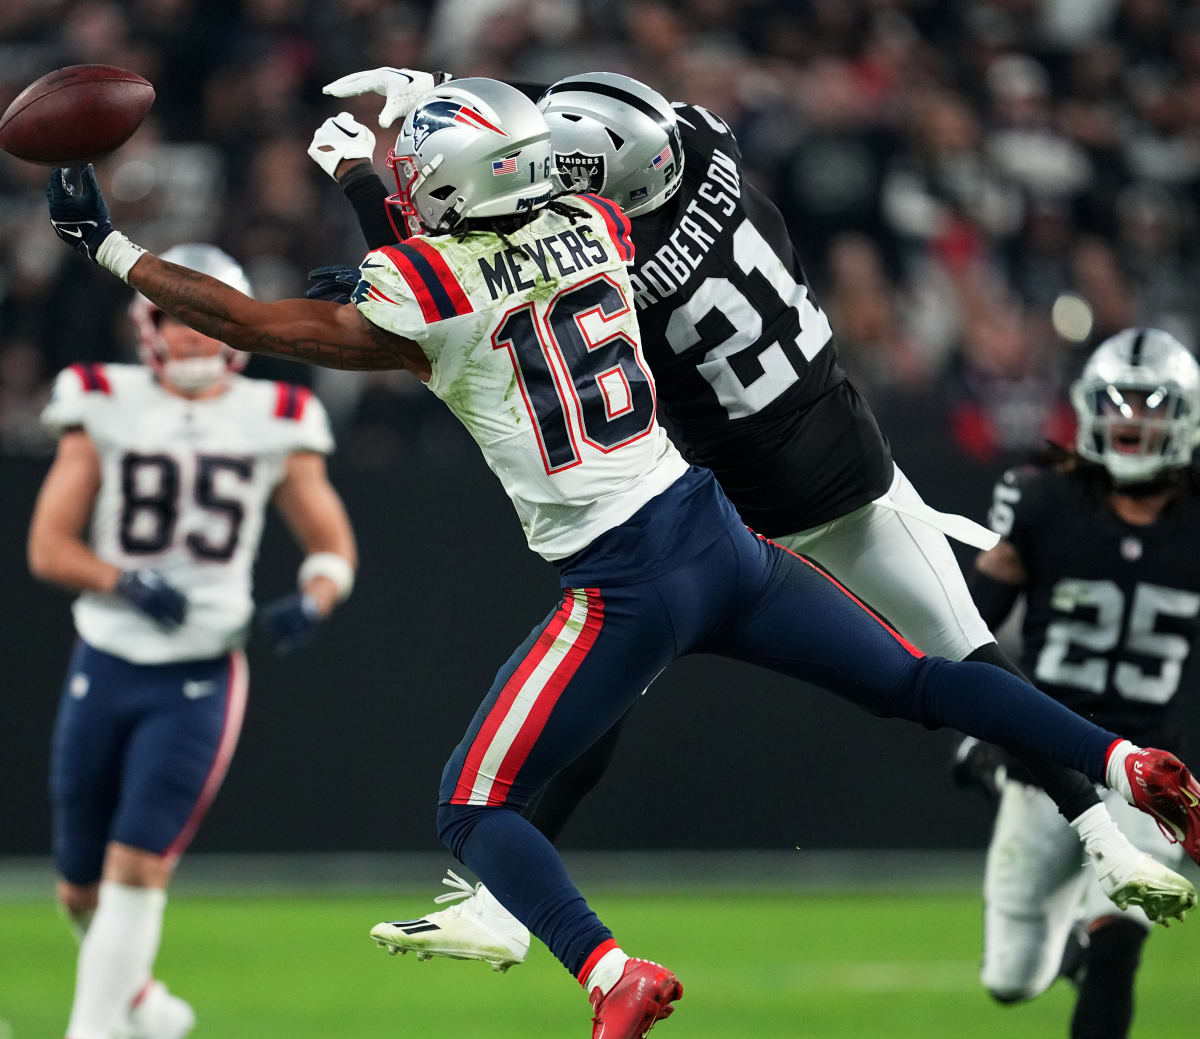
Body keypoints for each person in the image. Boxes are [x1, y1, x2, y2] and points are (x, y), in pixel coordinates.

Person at [45, 80, 1199, 1039]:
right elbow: (433, 273)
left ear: (451, 186)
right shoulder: (593, 226)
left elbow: (268, 322)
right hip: (720, 539)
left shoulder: (427, 287)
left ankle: (609, 972)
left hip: (627, 582)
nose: (403, 183)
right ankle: (1117, 764)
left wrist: (111, 250)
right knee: (923, 681)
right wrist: (363, 187)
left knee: (471, 807)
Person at [307, 68, 1200, 969]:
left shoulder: (612, 256)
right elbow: (613, 107)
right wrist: (453, 88)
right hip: (852, 460)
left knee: (603, 697)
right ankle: (1106, 825)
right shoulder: (706, 147)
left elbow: (470, 281)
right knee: (963, 664)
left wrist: (369, 192)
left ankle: (507, 908)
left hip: (750, 511)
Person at [18, 245, 358, 1039]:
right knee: (80, 893)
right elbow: (51, 546)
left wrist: (315, 597)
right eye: (178, 314)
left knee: (140, 870)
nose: (195, 332)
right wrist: (121, 581)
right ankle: (151, 1014)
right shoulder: (103, 398)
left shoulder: (277, 411)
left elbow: (331, 542)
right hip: (108, 656)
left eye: (209, 314)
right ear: (148, 324)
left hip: (203, 669)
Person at [959, 327, 1200, 1039]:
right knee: (1009, 981)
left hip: (1147, 773)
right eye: (1121, 406)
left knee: (1124, 933)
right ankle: (1062, 951)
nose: (1134, 424)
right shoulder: (1041, 498)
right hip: (1046, 763)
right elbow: (967, 625)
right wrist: (978, 725)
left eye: (1153, 407)